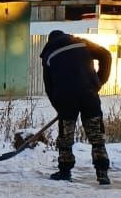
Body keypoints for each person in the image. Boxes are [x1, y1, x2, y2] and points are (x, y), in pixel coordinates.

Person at [39, 30, 113, 184]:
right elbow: (106, 55)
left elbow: (49, 86)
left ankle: (65, 172)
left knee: (66, 137)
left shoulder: (48, 54)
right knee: (96, 136)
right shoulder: (81, 43)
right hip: (89, 95)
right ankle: (102, 173)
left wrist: (58, 106)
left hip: (65, 98)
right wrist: (98, 82)